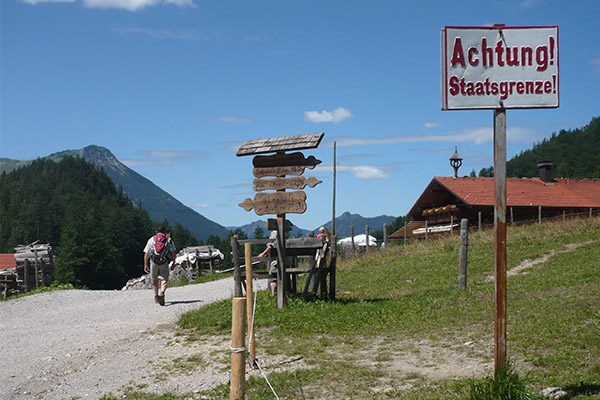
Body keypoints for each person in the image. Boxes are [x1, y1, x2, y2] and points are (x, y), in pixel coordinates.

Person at [144, 226, 177, 306]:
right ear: (164, 232)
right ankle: (162, 293)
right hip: (164, 262)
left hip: (154, 262)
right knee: (164, 279)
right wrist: (173, 262)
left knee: (155, 280)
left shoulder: (152, 239)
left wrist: (146, 264)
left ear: (156, 232)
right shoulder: (168, 240)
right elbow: (173, 252)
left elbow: (146, 253)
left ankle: (156, 296)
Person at [258, 230, 278, 296]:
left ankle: (273, 294)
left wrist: (263, 254)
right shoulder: (282, 231)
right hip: (285, 260)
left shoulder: (275, 232)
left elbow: (271, 245)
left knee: (272, 275)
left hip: (277, 260)